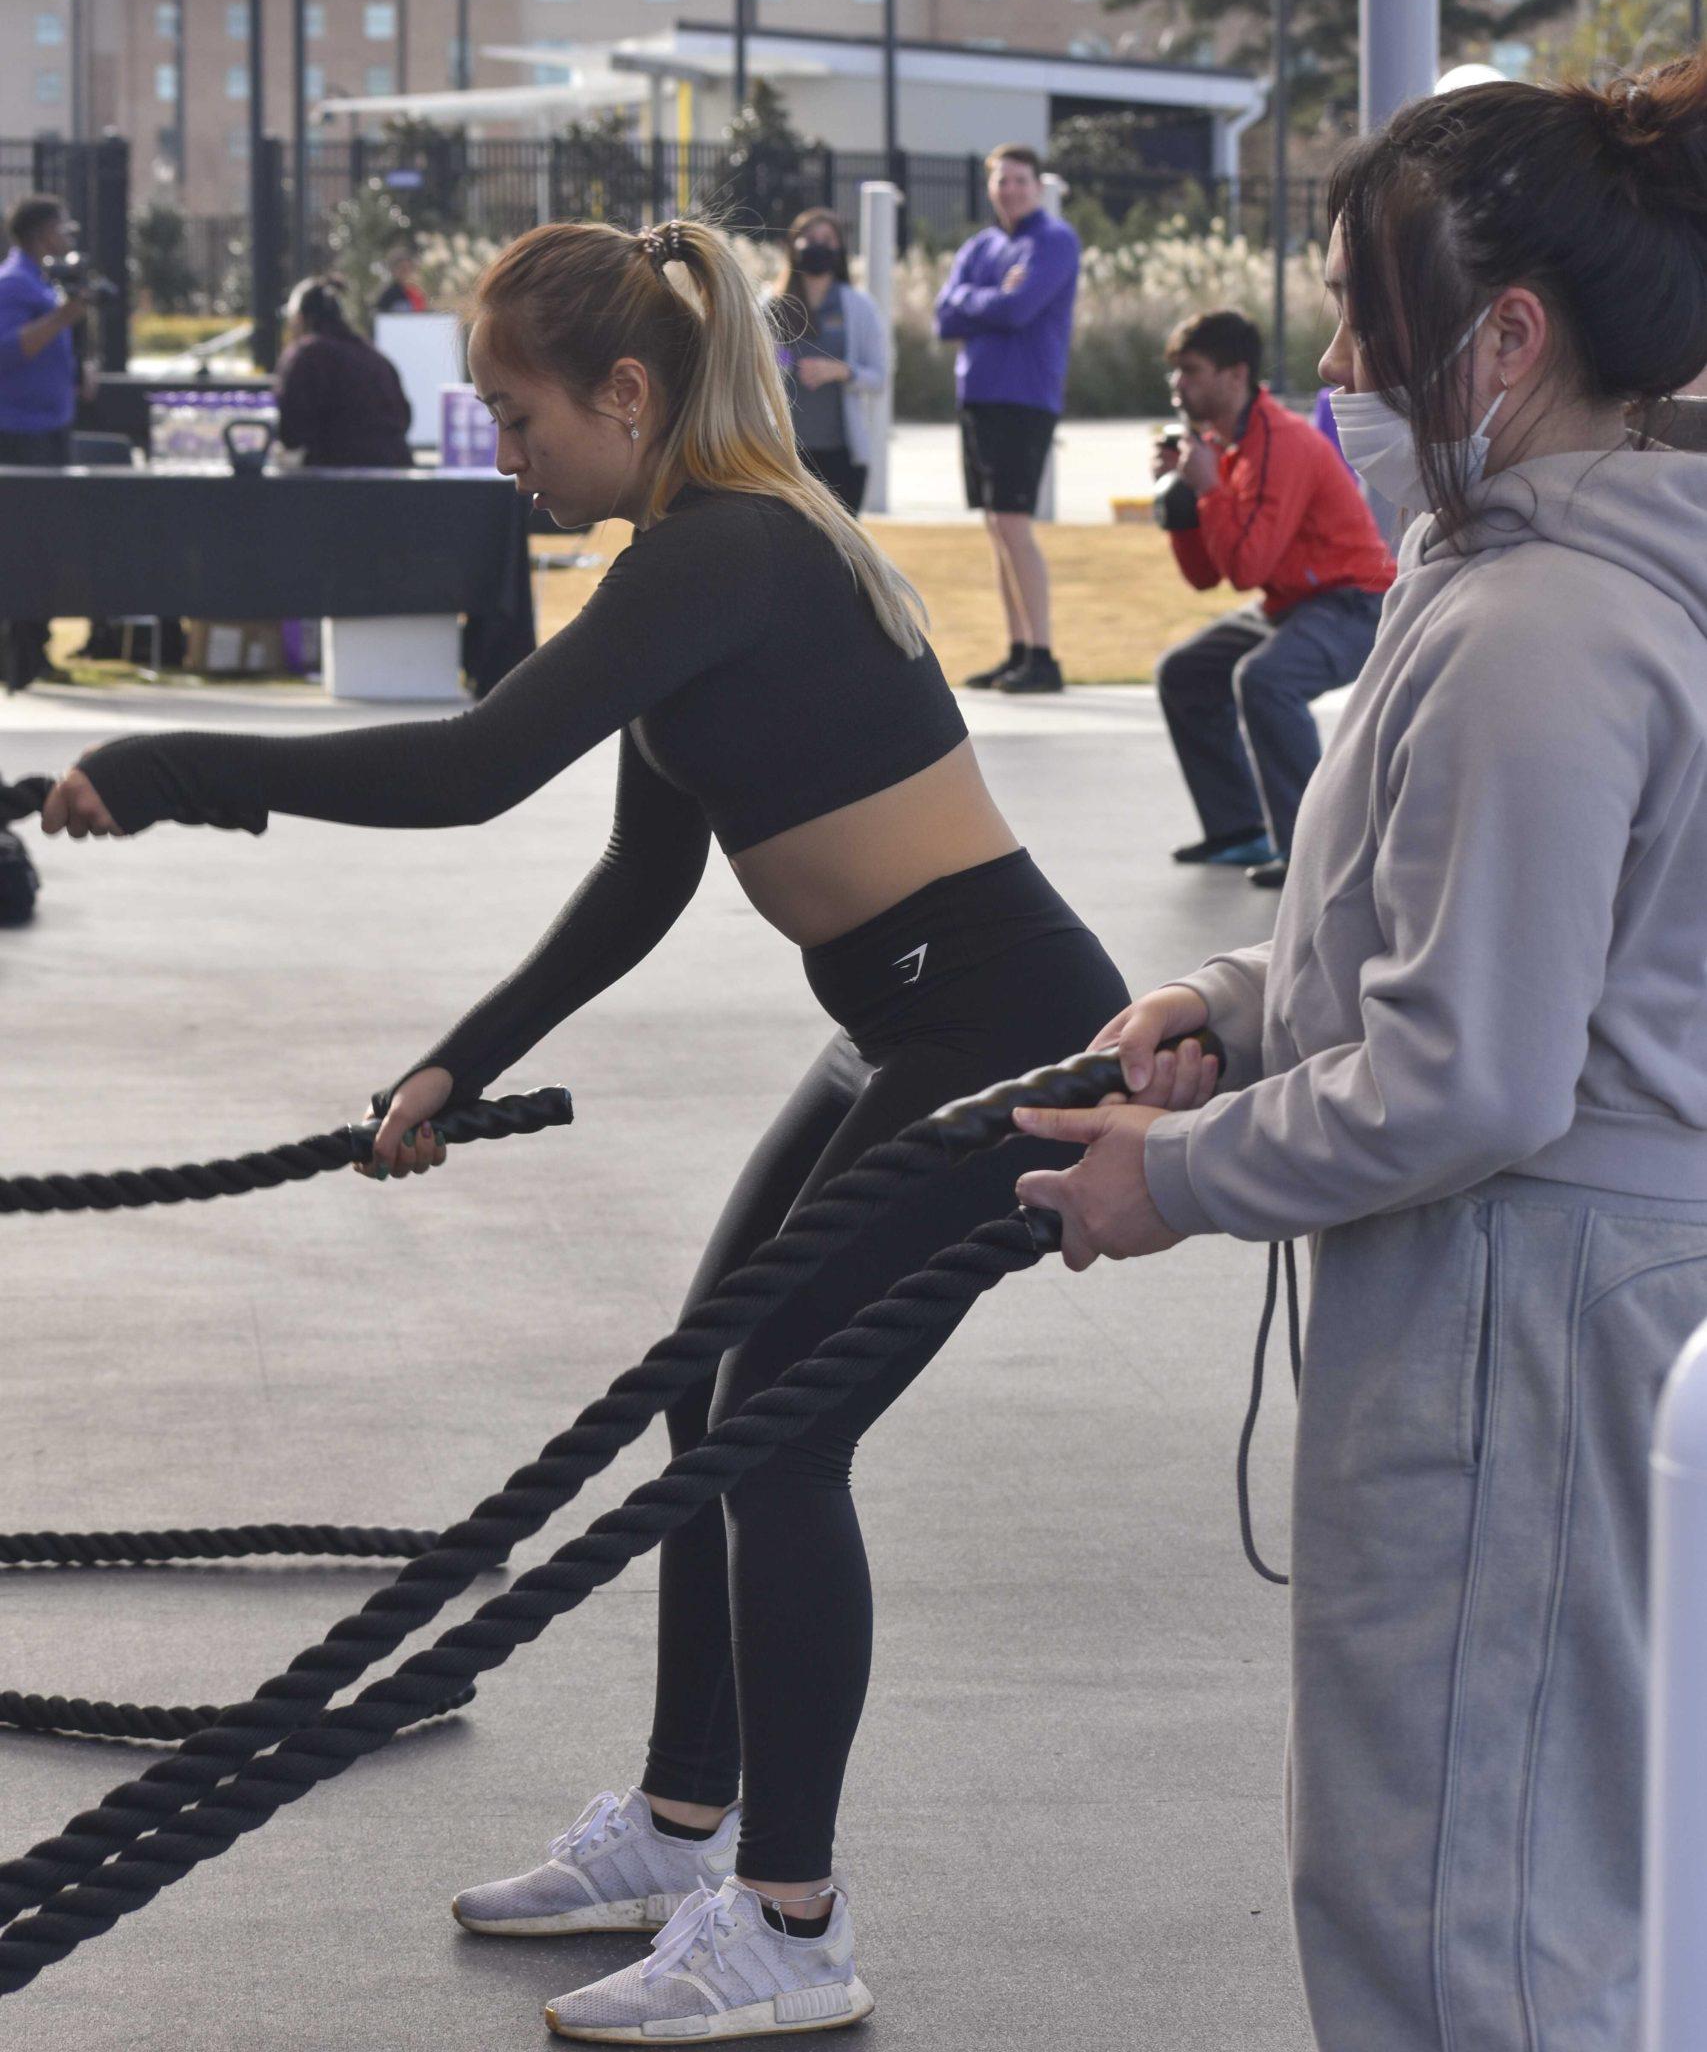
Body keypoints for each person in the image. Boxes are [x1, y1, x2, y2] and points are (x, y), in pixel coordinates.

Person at [42, 214, 1144, 2046]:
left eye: (517, 410)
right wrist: (462, 1059)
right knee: (715, 1405)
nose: (501, 446)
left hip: (1002, 1031)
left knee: (781, 1435)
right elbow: (642, 875)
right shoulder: (685, 558)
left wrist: (178, 772)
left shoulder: (726, 555)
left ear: (628, 393)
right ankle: (676, 1822)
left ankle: (791, 1918)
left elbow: (472, 770)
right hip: (907, 1020)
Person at [1010, 56, 1707, 2052]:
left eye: (1358, 314)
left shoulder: (1545, 621)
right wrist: (1230, 1004)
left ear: (1505, 333)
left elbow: (1473, 1066)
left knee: (1453, 1913)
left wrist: (1183, 1174)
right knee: (1525, 1879)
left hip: (1523, 1314)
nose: (1326, 361)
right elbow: (1442, 925)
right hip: (1559, 1310)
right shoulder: (1517, 583)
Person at [1151, 308, 1395, 889]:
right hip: (1292, 603)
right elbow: (1206, 576)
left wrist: (1208, 490)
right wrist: (1183, 506)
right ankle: (1238, 830)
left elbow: (1247, 566)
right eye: (1175, 374)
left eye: (1190, 371)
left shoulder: (1279, 444)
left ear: (1235, 376)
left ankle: (1316, 853)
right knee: (1184, 673)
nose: (1178, 385)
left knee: (1266, 681)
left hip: (1355, 605)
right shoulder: (1222, 444)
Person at [933, 143, 1080, 693]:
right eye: (1002, 181)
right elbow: (942, 318)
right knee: (996, 526)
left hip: (1025, 397)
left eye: (1020, 180)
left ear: (1037, 186)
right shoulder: (981, 246)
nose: (1010, 189)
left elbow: (1021, 311)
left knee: (1014, 524)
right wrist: (989, 297)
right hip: (978, 395)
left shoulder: (1055, 241)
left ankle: (1043, 655)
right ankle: (1017, 649)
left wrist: (976, 303)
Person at [0, 193, 98, 693]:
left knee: (46, 544)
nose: (67, 237)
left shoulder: (40, 281)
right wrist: (64, 317)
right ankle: (18, 657)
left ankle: (33, 649)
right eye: (61, 228)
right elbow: (8, 351)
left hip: (49, 426)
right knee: (24, 545)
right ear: (41, 233)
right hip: (20, 434)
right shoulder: (13, 283)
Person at [771, 207, 889, 513]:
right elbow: (755, 367)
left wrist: (842, 371)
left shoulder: (858, 307)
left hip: (841, 456)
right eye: (809, 238)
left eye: (827, 238)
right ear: (793, 247)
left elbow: (879, 377)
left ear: (839, 249)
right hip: (783, 456)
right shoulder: (770, 305)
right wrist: (787, 360)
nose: (817, 245)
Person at [275, 277, 413, 470]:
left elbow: (290, 433)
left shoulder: (304, 355)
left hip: (339, 480)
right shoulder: (374, 357)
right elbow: (403, 418)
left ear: (299, 318)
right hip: (398, 476)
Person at [375, 245, 428, 315]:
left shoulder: (418, 293)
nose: (406, 273)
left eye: (408, 269)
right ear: (394, 271)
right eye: (402, 269)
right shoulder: (388, 295)